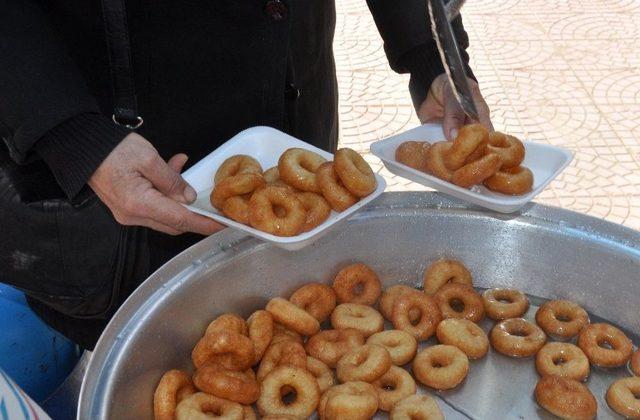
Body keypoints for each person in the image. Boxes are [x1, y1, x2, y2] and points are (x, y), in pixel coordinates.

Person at [0, 0, 491, 350]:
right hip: (117, 159)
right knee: (137, 358)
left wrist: (435, 54)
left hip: (291, 116)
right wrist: (70, 135)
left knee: (295, 310)